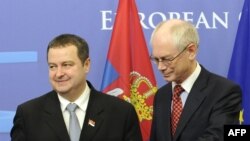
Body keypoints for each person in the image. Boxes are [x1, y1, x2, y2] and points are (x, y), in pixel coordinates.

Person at [11, 34, 142, 141]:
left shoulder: (121, 112)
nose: (59, 73)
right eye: (52, 66)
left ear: (86, 65)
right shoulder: (28, 114)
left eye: (66, 65)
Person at [149, 19, 242, 141]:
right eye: (156, 59)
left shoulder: (224, 92)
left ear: (191, 51)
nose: (160, 67)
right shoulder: (161, 95)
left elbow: (218, 137)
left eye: (167, 59)